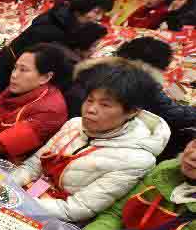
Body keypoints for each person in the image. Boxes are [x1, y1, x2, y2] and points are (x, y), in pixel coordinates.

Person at [12, 65, 170, 222]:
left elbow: (76, 209)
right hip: (28, 197)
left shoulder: (136, 160)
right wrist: (9, 188)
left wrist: (20, 203)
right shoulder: (74, 124)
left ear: (132, 111)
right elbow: (32, 167)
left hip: (57, 220)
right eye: (89, 100)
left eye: (105, 105)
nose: (91, 109)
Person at [67, 38, 196, 159]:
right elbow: (173, 114)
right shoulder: (137, 83)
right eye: (90, 100)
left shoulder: (99, 68)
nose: (91, 109)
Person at [0, 0, 113, 91]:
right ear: (82, 8)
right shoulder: (54, 28)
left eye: (102, 14)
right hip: (7, 70)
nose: (98, 18)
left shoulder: (63, 18)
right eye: (96, 12)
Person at [0, 44, 71, 163]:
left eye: (23, 70)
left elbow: (2, 145)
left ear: (45, 77)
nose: (14, 75)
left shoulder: (51, 111)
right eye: (15, 68)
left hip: (8, 165)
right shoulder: (20, 87)